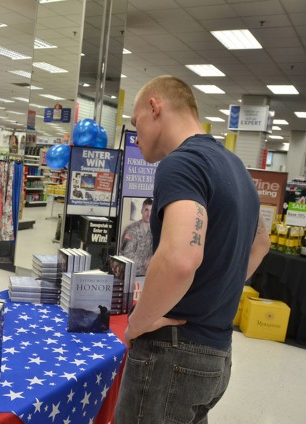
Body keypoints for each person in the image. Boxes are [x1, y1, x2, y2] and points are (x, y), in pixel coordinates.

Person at [115, 76, 270, 423]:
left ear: (155, 107)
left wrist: (138, 322)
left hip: (172, 355)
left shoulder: (181, 164)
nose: (136, 139)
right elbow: (261, 244)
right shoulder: (236, 168)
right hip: (217, 354)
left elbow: (181, 259)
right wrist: (213, 291)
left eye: (136, 122)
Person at [120, 197, 153, 276]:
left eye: (151, 211)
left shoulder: (154, 231)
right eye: (146, 210)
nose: (149, 214)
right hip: (132, 275)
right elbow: (126, 254)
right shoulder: (131, 229)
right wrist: (145, 262)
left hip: (148, 276)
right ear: (141, 211)